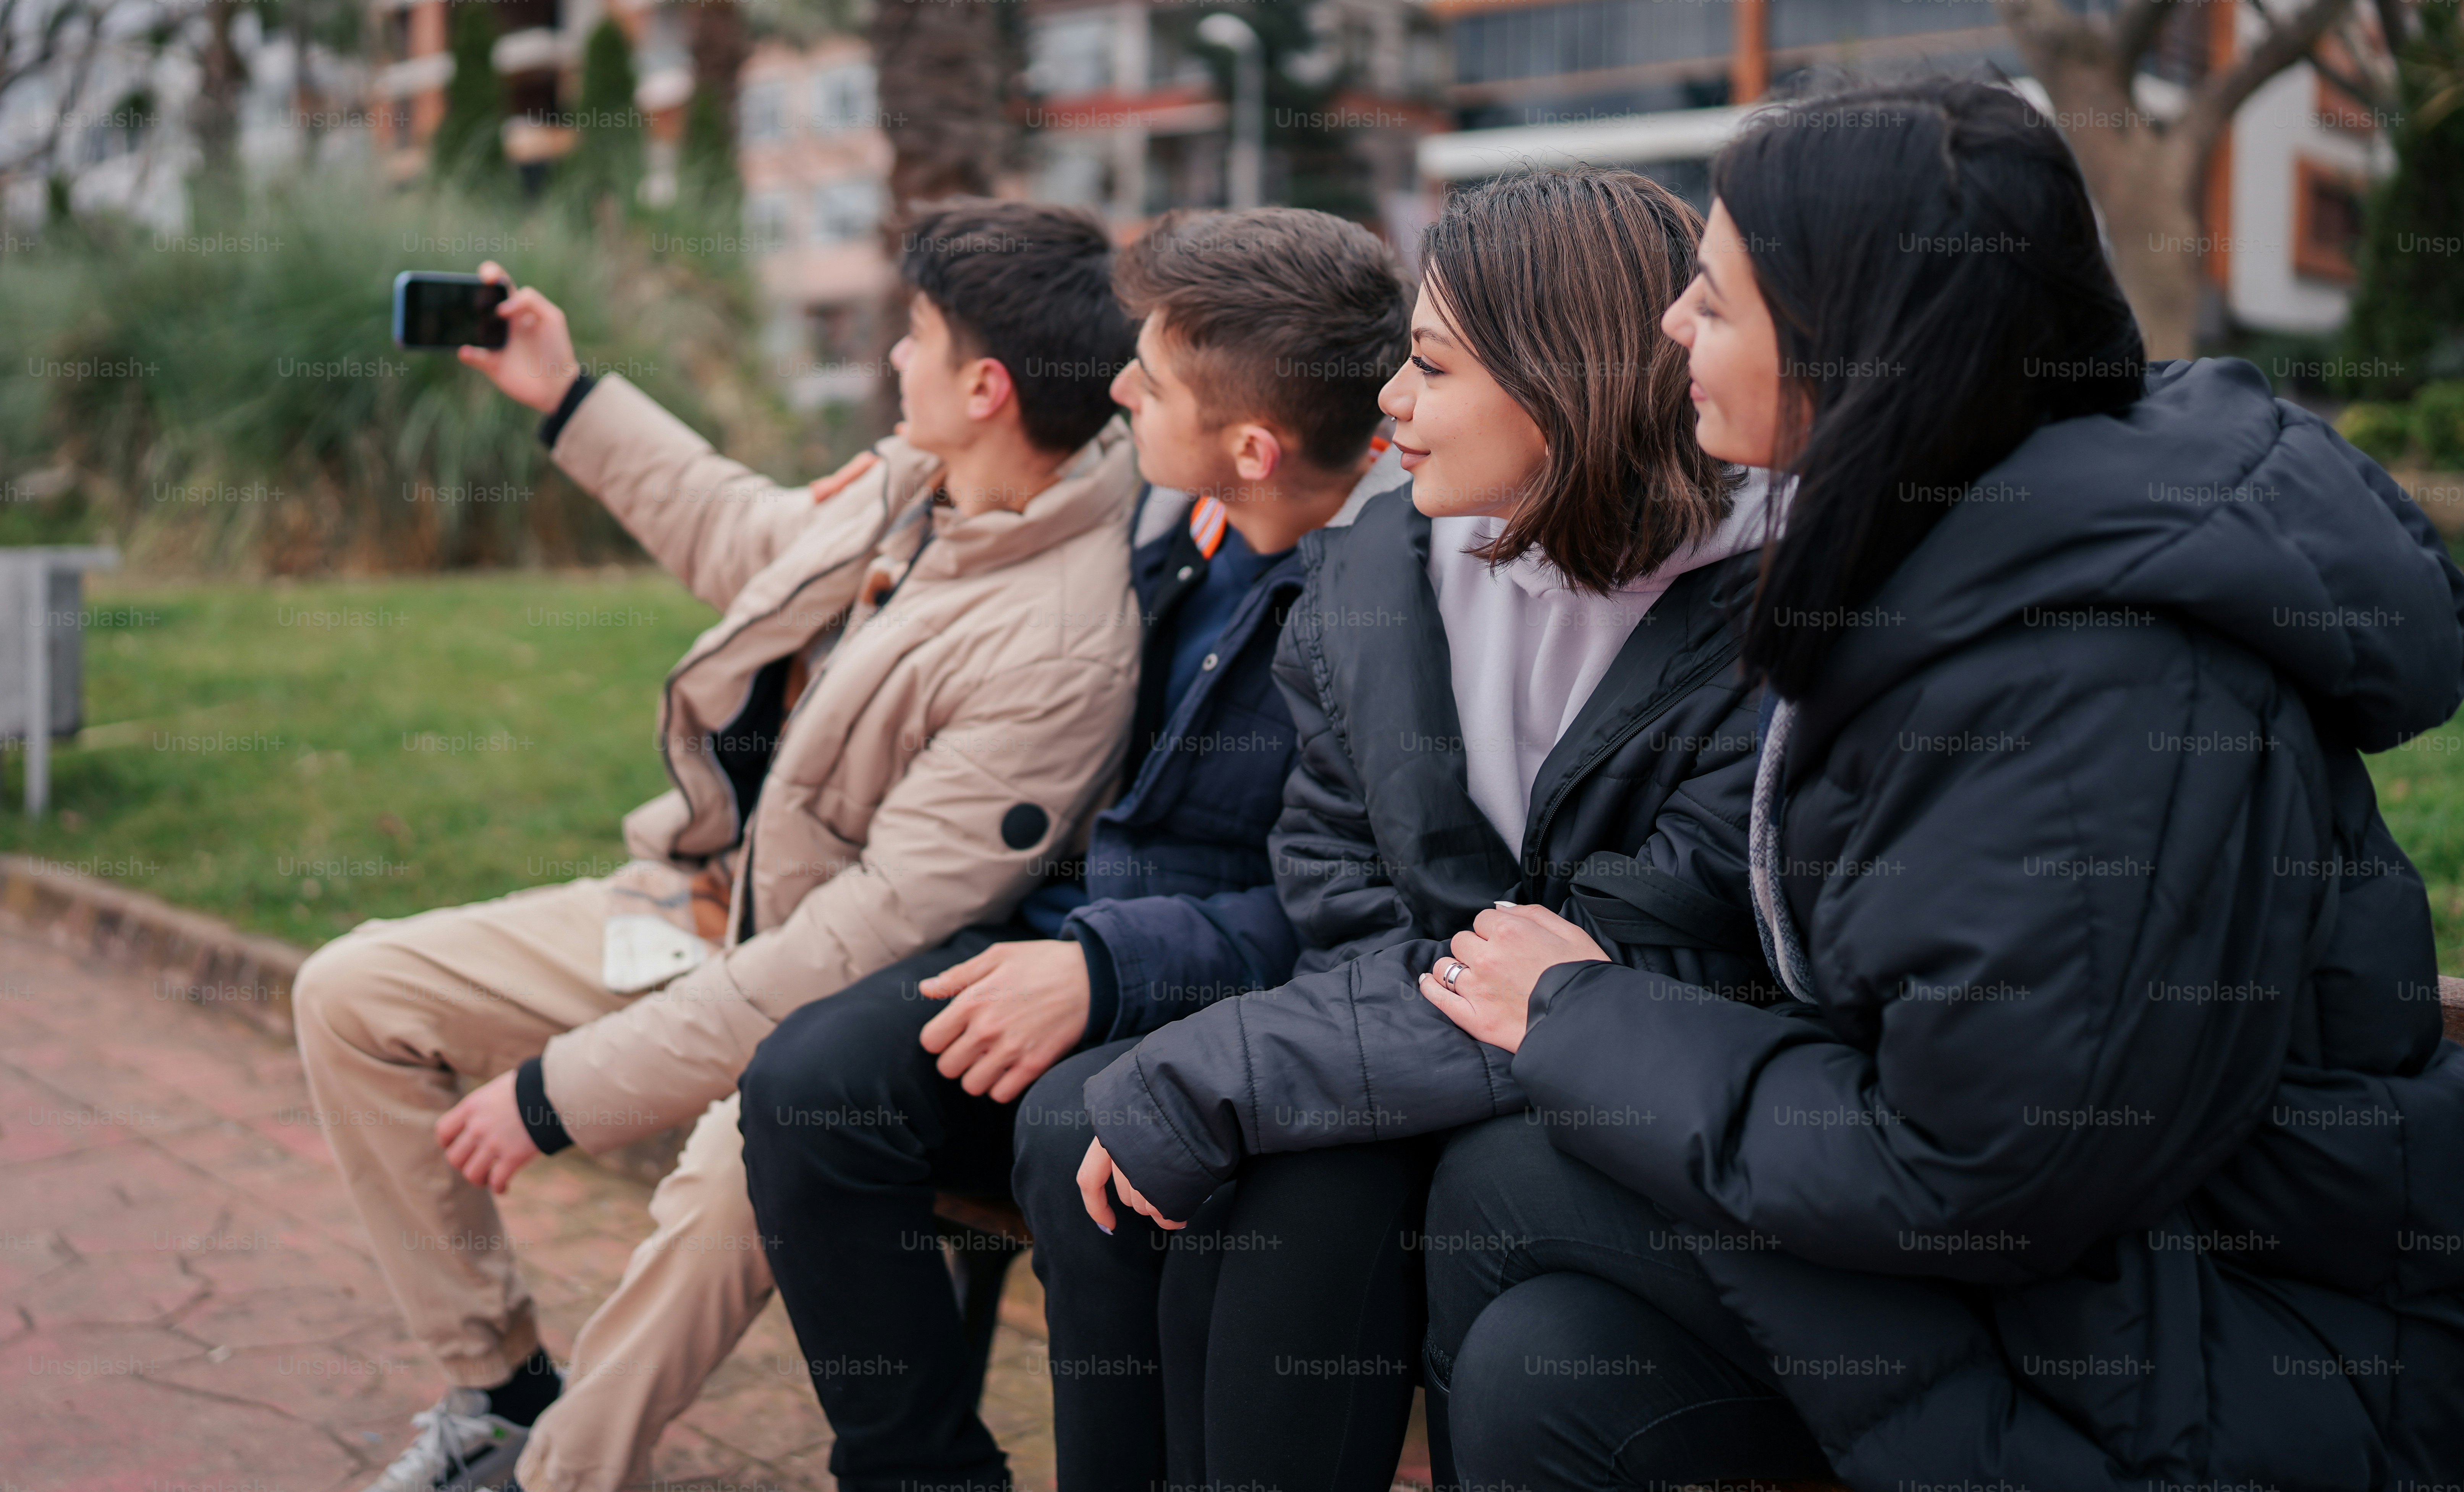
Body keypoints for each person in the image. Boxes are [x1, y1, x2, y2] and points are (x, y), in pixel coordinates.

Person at [1417, 76, 2464, 1487]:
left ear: (1861, 336)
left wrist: (1584, 1014)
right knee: (1548, 1367)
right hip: (2100, 1262)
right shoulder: (1981, 544)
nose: (1672, 323)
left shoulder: (2089, 681)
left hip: (2219, 1333)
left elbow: (1976, 1177)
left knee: (1507, 1188)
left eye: (1715, 302)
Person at [290, 199, 1145, 1492]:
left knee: (738, 1165)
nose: (892, 360)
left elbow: (856, 941)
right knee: (352, 994)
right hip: (698, 907)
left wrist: (552, 1096)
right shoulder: (922, 483)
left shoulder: (1059, 640)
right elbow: (748, 541)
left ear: (986, 385)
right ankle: (499, 1388)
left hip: (824, 999)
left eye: (911, 336)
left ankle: (554, 1475)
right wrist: (569, 395)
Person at [1027, 168, 1786, 1492]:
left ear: (1564, 379)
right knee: (1200, 1159)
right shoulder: (1373, 574)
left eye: (1428, 367)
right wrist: (1296, 1070)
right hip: (1397, 1028)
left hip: (1628, 1086)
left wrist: (1245, 1072)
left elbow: (1653, 948)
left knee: (1297, 1189)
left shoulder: (1766, 620)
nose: (1388, 401)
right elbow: (1328, 875)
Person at [733, 206, 1413, 1492]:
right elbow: (1001, 449)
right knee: (809, 1084)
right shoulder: (1172, 510)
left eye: (1146, 381)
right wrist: (896, 473)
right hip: (1069, 935)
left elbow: (1352, 907)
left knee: (1078, 1129)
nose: (1115, 390)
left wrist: (1106, 973)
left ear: (1252, 448)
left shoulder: (1375, 606)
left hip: (1200, 987)